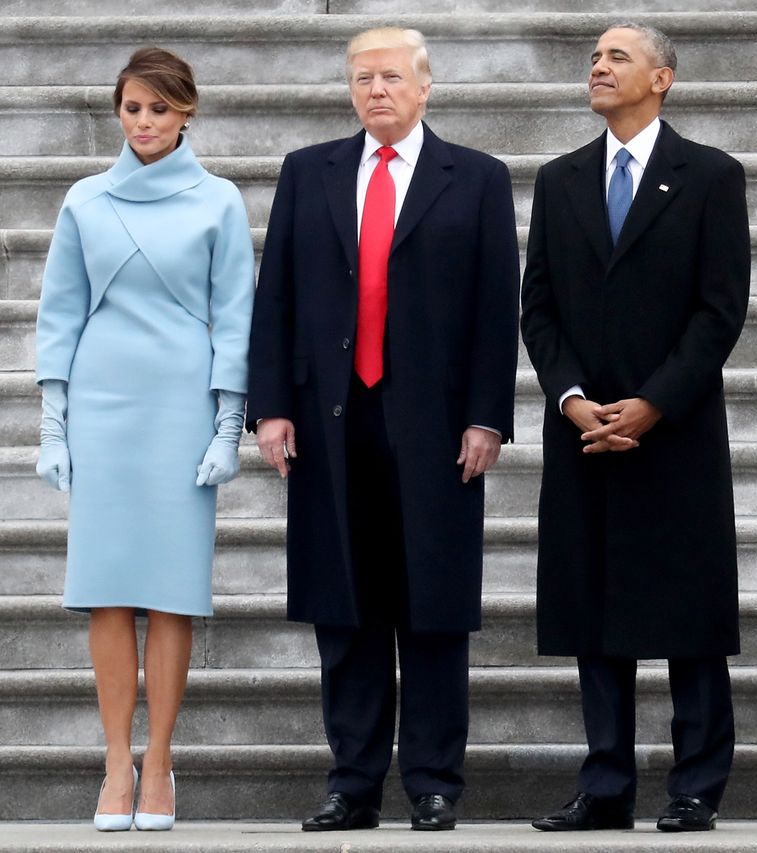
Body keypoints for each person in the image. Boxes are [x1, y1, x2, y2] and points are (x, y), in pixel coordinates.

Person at [246, 27, 519, 833]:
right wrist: (272, 406)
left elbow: (493, 309)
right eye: (363, 79)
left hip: (435, 426)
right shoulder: (309, 172)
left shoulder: (476, 178)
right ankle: (353, 781)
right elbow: (278, 298)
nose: (376, 91)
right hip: (332, 421)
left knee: (431, 606)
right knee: (346, 607)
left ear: (425, 86)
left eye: (392, 77)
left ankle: (433, 781)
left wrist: (486, 416)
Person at [521, 23, 750, 834]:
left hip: (675, 429)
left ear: (664, 78)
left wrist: (654, 402)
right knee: (595, 611)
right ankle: (607, 782)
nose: (600, 66)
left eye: (617, 56)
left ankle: (696, 782)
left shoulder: (711, 177)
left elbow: (720, 311)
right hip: (585, 431)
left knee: (688, 612)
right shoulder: (560, 179)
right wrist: (572, 397)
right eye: (594, 57)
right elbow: (538, 308)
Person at [34, 47, 254, 832]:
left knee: (169, 592)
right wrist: (54, 424)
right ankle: (113, 763)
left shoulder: (219, 200)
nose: (146, 122)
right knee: (106, 587)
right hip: (103, 404)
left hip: (182, 406)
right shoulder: (85, 201)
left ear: (187, 112)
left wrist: (229, 427)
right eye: (133, 107)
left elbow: (236, 315)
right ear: (118, 111)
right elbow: (60, 313)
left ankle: (158, 761)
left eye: (160, 108)